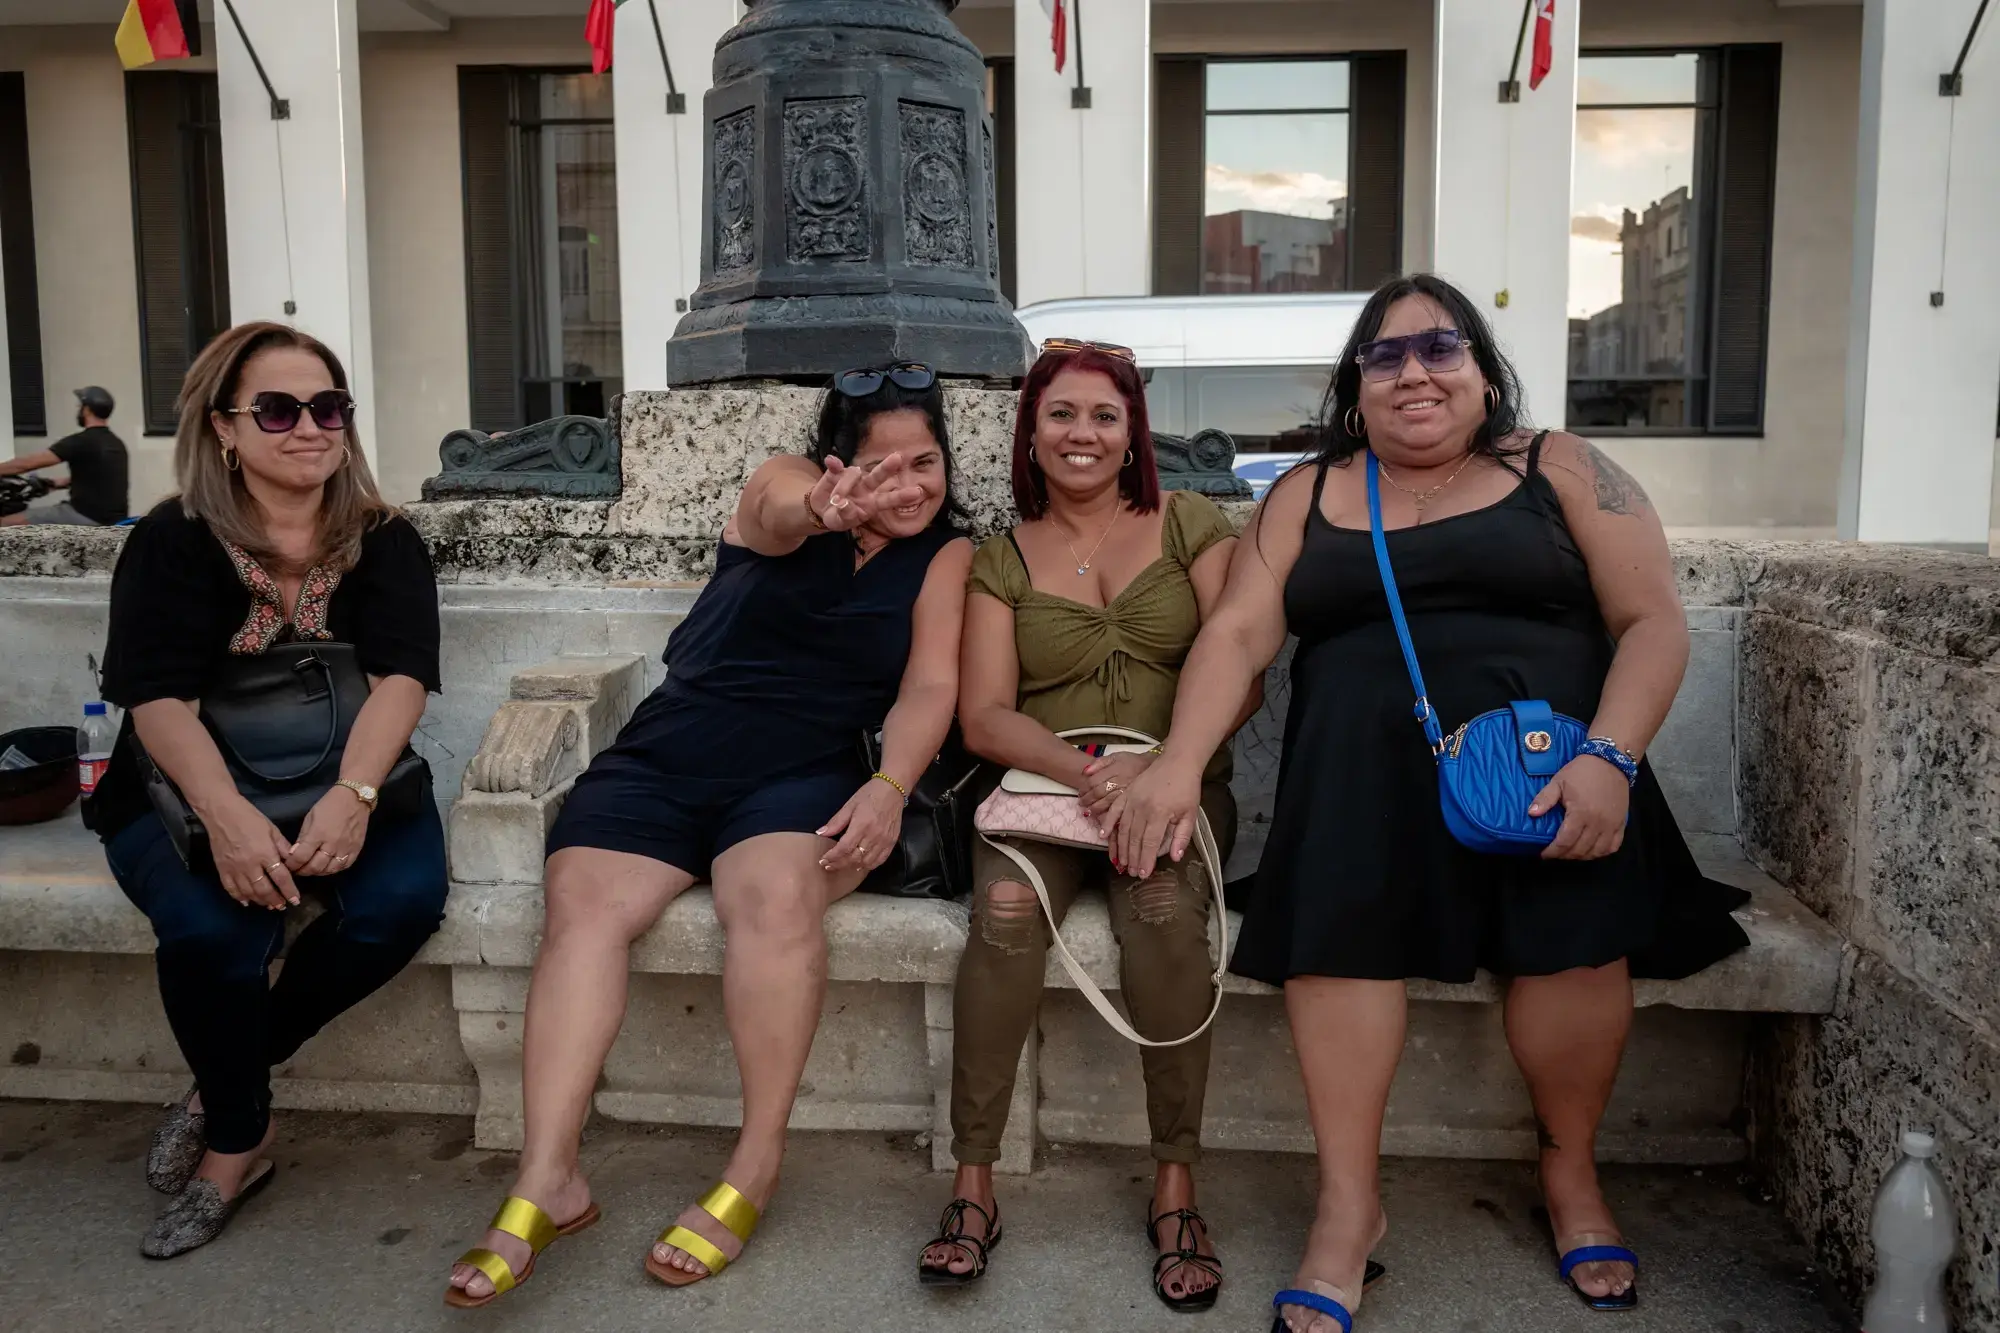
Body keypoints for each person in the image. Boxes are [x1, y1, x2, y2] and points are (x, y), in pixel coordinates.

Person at [1108, 274, 1751, 1332]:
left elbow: (1652, 621)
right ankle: (1347, 1210)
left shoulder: (1560, 466)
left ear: (1484, 374)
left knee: (1573, 943)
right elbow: (1236, 634)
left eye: (1440, 348)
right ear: (1355, 386)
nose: (1413, 371)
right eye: (1385, 355)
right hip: (1360, 787)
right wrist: (1178, 761)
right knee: (1336, 942)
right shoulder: (1307, 492)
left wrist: (1610, 758)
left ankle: (1571, 1176)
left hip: (1547, 773)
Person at [444, 363, 973, 1308]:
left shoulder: (947, 557)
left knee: (772, 895)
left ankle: (755, 1162)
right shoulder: (784, 490)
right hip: (674, 749)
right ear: (836, 460)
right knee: (583, 902)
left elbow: (931, 683)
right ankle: (547, 1177)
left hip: (807, 767)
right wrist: (821, 506)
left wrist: (890, 786)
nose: (906, 484)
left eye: (924, 462)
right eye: (882, 464)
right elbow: (775, 509)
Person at [92, 323, 446, 1258]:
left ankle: (222, 1086)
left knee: (400, 905)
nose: (311, 428)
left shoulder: (384, 539)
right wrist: (229, 819)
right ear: (224, 427)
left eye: (328, 407)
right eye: (279, 410)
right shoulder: (172, 541)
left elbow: (403, 679)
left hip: (346, 771)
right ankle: (238, 1146)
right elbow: (156, 700)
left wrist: (355, 795)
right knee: (216, 931)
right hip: (188, 784)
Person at [916, 340, 1255, 1312]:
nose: (1083, 433)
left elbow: (1241, 666)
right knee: (1006, 912)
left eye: (1105, 415)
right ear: (1031, 432)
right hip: (1043, 783)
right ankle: (972, 1183)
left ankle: (1175, 1185)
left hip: (1177, 781)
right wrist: (1094, 774)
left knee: (1160, 911)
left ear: (1132, 433)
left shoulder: (1190, 524)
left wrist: (1165, 765)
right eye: (1061, 413)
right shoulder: (999, 560)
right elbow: (985, 715)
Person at [0, 384, 130, 525]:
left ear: (86, 409)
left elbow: (26, 464)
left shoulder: (81, 441)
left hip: (86, 516)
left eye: (79, 406)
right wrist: (53, 483)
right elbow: (96, 476)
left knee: (5, 523)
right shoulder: (116, 443)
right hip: (112, 519)